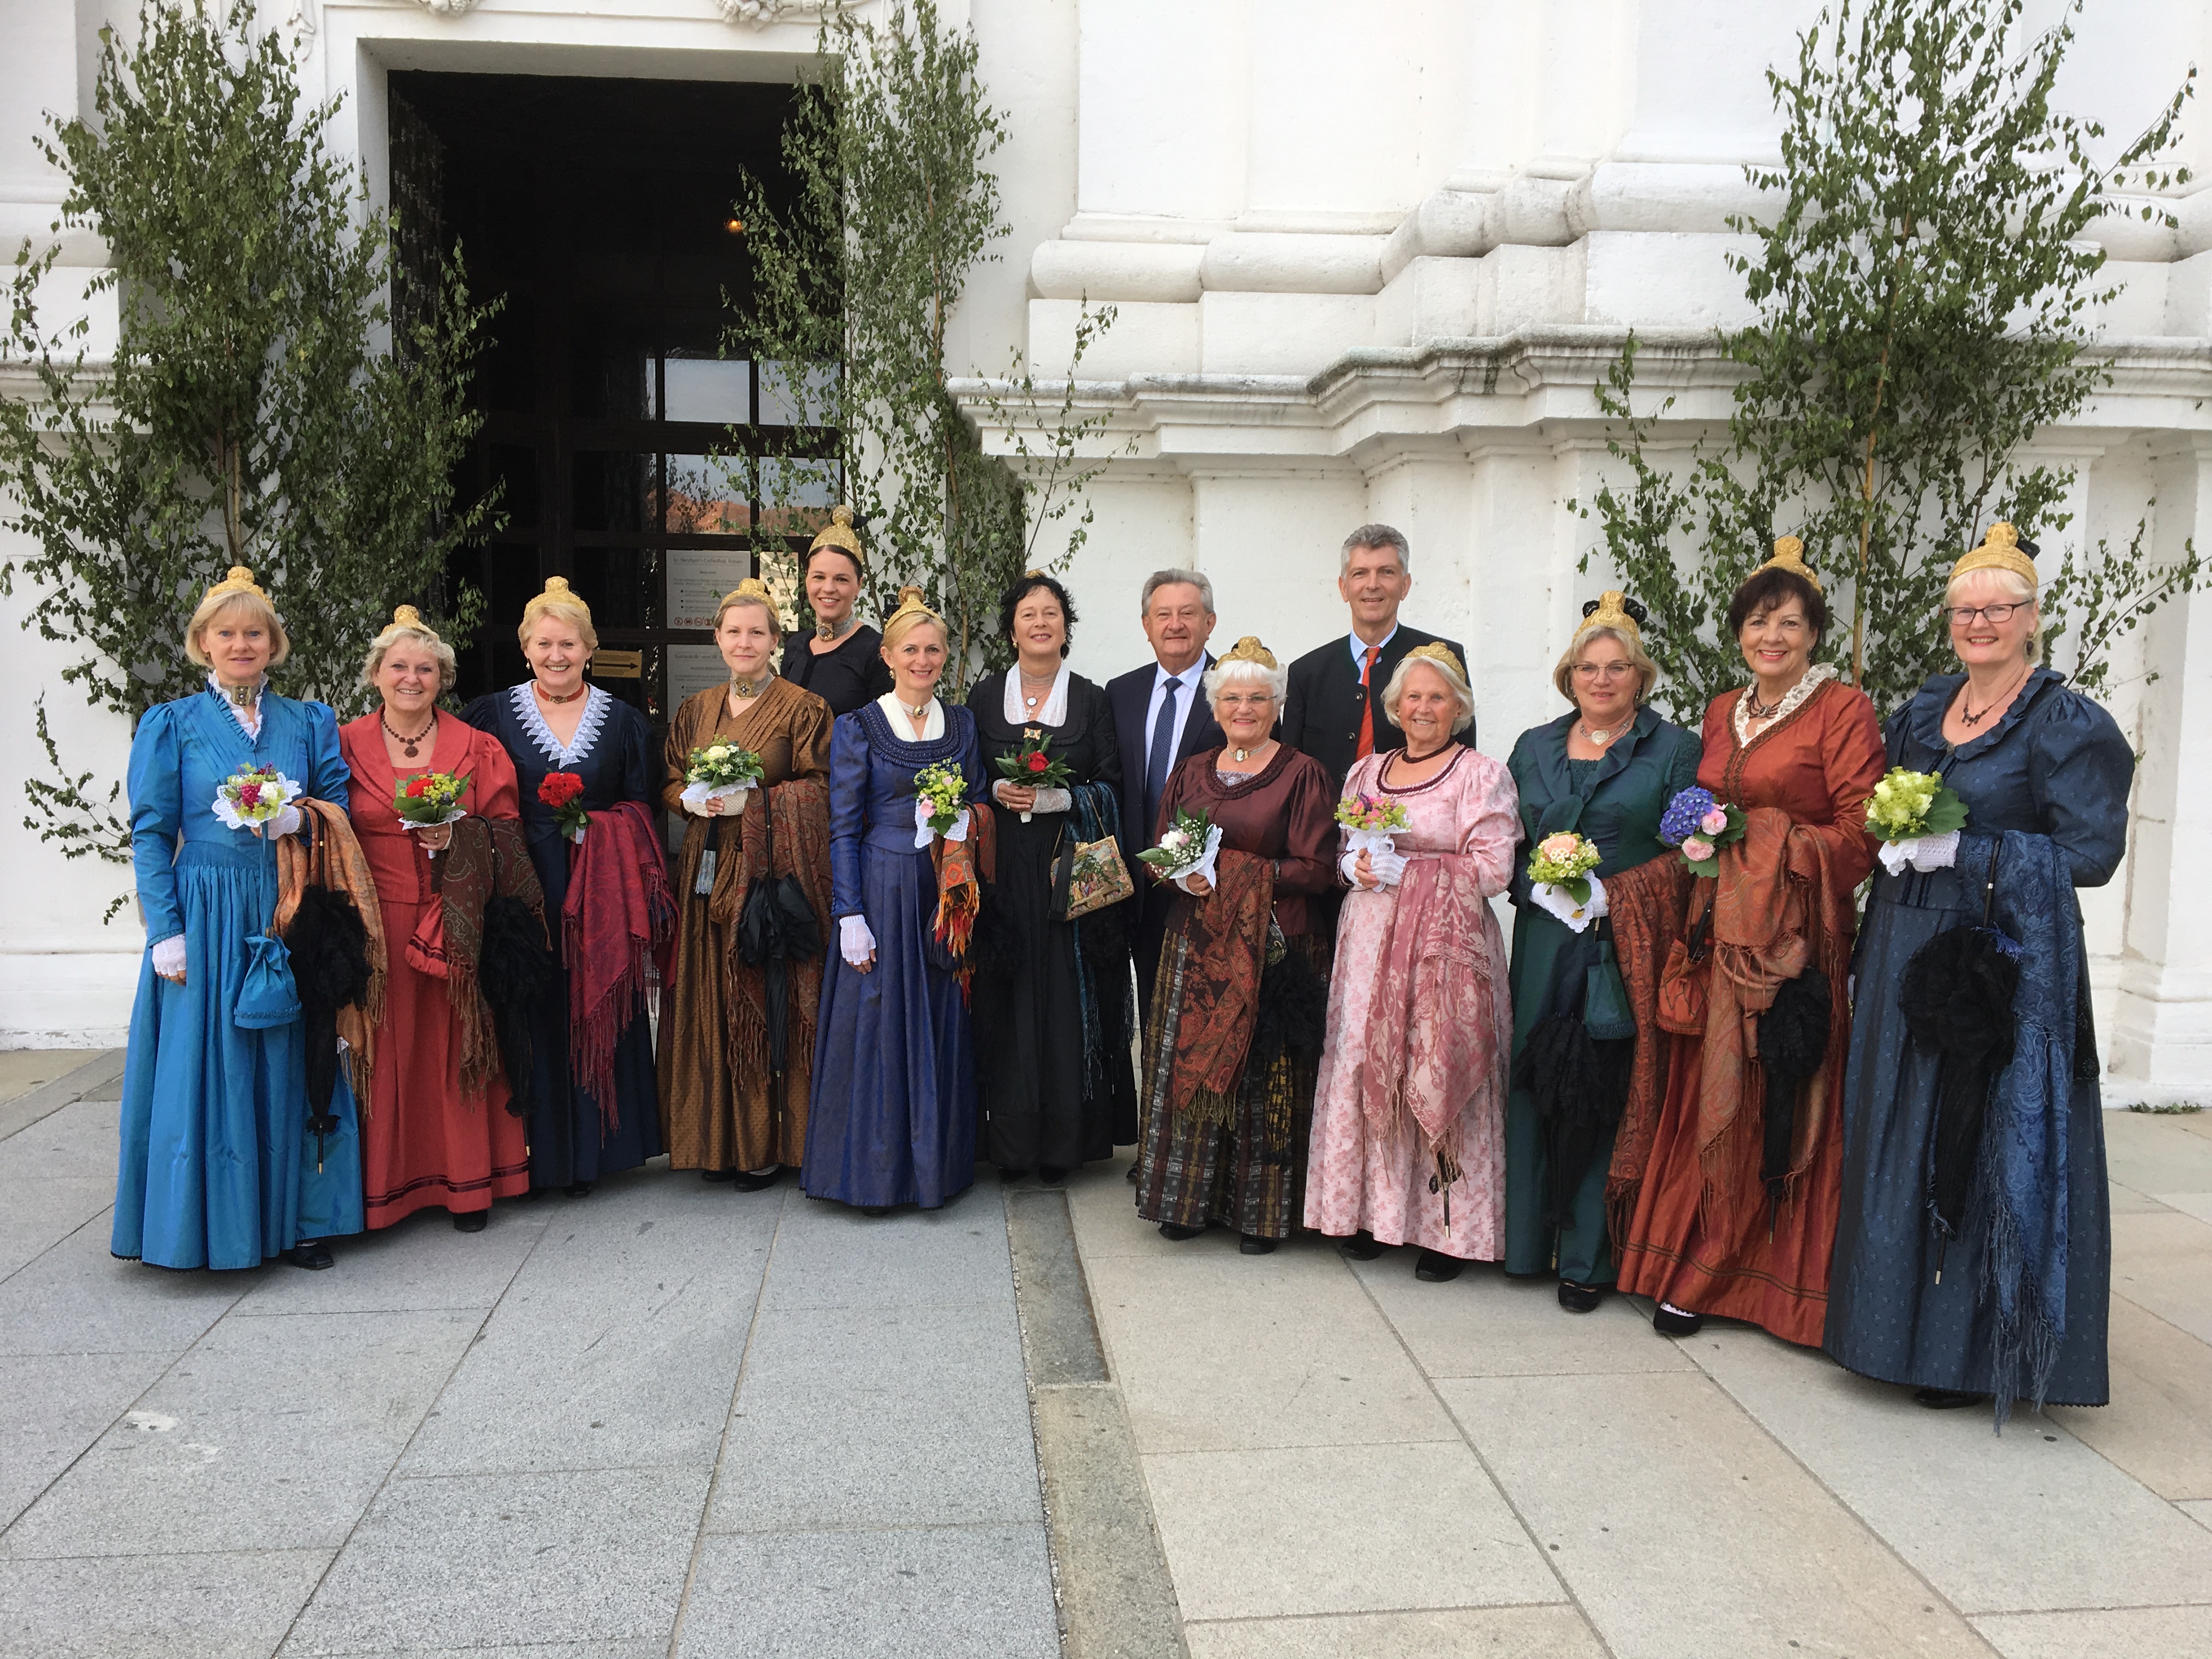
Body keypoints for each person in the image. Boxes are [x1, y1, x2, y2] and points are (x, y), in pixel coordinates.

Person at [1826, 524, 2132, 1421]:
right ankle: (1884, 1330)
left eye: (1997, 607)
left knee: (1973, 1132)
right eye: (1965, 608)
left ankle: (1961, 1351)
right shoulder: (1922, 708)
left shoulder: (2066, 722)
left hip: (1995, 956)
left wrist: (1970, 848)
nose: (1979, 622)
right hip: (1904, 943)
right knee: (1899, 1122)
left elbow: (2090, 851)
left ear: (2031, 617)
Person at [1612, 539, 1883, 1346]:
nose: (1773, 637)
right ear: (1740, 633)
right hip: (1717, 929)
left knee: (1776, 1093)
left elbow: (1861, 830)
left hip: (1792, 940)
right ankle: (1692, 1251)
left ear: (1813, 635)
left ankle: (1762, 1280)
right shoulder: (1723, 706)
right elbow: (1708, 802)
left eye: (1791, 624)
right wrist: (1704, 838)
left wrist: (1767, 842)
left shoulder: (1843, 708)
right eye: (1760, 622)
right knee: (1710, 1087)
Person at [114, 566, 363, 1271]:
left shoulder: (308, 721)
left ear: (273, 643)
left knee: (291, 1059)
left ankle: (299, 1221)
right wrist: (165, 929)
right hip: (207, 912)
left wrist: (301, 816)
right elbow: (152, 832)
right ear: (203, 642)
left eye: (255, 632)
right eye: (227, 633)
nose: (242, 643)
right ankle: (200, 1228)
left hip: (287, 907)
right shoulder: (172, 725)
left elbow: (341, 808)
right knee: (210, 1068)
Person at [1502, 595, 1701, 1310]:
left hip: (1626, 943)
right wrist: (1537, 882)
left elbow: (1696, 854)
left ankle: (1589, 1256)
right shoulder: (1533, 745)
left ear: (1639, 676)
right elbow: (1504, 843)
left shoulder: (1674, 749)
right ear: (1569, 675)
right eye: (1589, 666)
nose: (1603, 679)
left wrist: (1623, 893)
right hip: (1545, 938)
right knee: (1533, 1079)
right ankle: (1525, 1241)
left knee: (1606, 1086)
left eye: (1617, 667)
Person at [1306, 644, 1519, 1280]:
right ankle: (1373, 1216)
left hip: (1441, 949)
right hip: (1369, 942)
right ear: (1394, 707)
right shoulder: (1365, 772)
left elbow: (1492, 869)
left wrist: (1411, 869)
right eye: (1413, 698)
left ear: (1459, 708)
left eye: (1438, 697)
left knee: (1435, 1060)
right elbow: (1343, 854)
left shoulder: (1480, 774)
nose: (1423, 707)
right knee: (1366, 1059)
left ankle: (1446, 1231)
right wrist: (1357, 866)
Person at [461, 577, 668, 1197]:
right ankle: (537, 1158)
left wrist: (602, 828)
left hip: (601, 892)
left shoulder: (625, 720)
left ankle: (601, 1152)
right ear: (526, 649)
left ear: (589, 649)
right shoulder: (491, 716)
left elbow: (643, 806)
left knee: (598, 1005)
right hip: (525, 890)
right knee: (536, 1007)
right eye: (545, 643)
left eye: (569, 644)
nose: (558, 655)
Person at [340, 607, 542, 1233]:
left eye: (425, 668)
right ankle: (388, 1190)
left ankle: (468, 1184)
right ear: (376, 674)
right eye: (398, 666)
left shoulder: (476, 746)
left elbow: (506, 830)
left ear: (442, 679)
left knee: (461, 1045)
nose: (411, 677)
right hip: (379, 918)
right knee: (389, 1050)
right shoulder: (342, 744)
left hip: (459, 915)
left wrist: (459, 838)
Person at [1135, 637, 1335, 1253]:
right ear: (1215, 707)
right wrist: (1178, 873)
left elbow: (1319, 866)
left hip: (1274, 945)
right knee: (1186, 1066)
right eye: (1231, 698)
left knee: (1261, 1074)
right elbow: (1162, 851)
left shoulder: (1303, 774)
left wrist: (1239, 872)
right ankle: (1185, 1202)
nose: (1243, 708)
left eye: (1256, 698)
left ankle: (1260, 1217)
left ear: (1276, 705)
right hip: (1194, 939)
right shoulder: (1192, 771)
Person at [805, 586, 991, 1213]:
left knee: (939, 1017)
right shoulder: (857, 728)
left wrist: (959, 817)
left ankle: (935, 1167)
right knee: (879, 1019)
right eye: (910, 649)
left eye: (933, 649)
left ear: (946, 657)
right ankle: (872, 1175)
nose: (922, 659)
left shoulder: (962, 724)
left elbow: (982, 800)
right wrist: (849, 912)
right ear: (887, 655)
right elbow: (843, 826)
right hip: (882, 888)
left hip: (941, 890)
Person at [659, 579, 834, 1189]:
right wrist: (691, 801)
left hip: (767, 875)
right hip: (704, 872)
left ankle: (769, 1144)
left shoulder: (804, 707)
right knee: (709, 997)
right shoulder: (696, 709)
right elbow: (671, 780)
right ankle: (714, 1142)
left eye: (757, 632)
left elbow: (820, 789)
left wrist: (753, 804)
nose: (744, 641)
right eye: (733, 631)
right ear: (717, 639)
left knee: (761, 999)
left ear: (776, 640)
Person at [967, 572, 1135, 1182]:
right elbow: (960, 775)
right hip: (1005, 870)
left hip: (1072, 867)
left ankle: (1065, 1143)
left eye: (1052, 614)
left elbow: (1114, 784)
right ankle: (1011, 1144)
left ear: (1067, 627)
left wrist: (1064, 802)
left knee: (1069, 1000)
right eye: (1028, 614)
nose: (1040, 623)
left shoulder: (1091, 699)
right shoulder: (984, 699)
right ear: (1011, 628)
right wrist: (992, 788)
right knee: (1008, 1000)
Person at [1106, 570, 1225, 1023]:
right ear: (1146, 625)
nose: (1175, 624)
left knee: (1202, 1021)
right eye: (1164, 615)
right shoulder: (1121, 692)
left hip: (1204, 888)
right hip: (1137, 888)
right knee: (1153, 1019)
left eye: (1188, 614)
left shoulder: (1232, 690)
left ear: (1210, 622)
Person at [1280, 524, 1472, 797]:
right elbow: (1292, 773)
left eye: (1386, 572)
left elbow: (1465, 761)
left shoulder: (1442, 660)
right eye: (1360, 574)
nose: (1373, 584)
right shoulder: (1306, 673)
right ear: (1344, 587)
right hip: (1324, 831)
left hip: (1414, 827)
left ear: (1405, 586)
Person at [781, 504, 894, 716]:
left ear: (859, 586)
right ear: (806, 580)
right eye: (819, 577)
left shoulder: (877, 652)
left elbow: (884, 734)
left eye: (841, 579)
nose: (829, 589)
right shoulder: (795, 647)